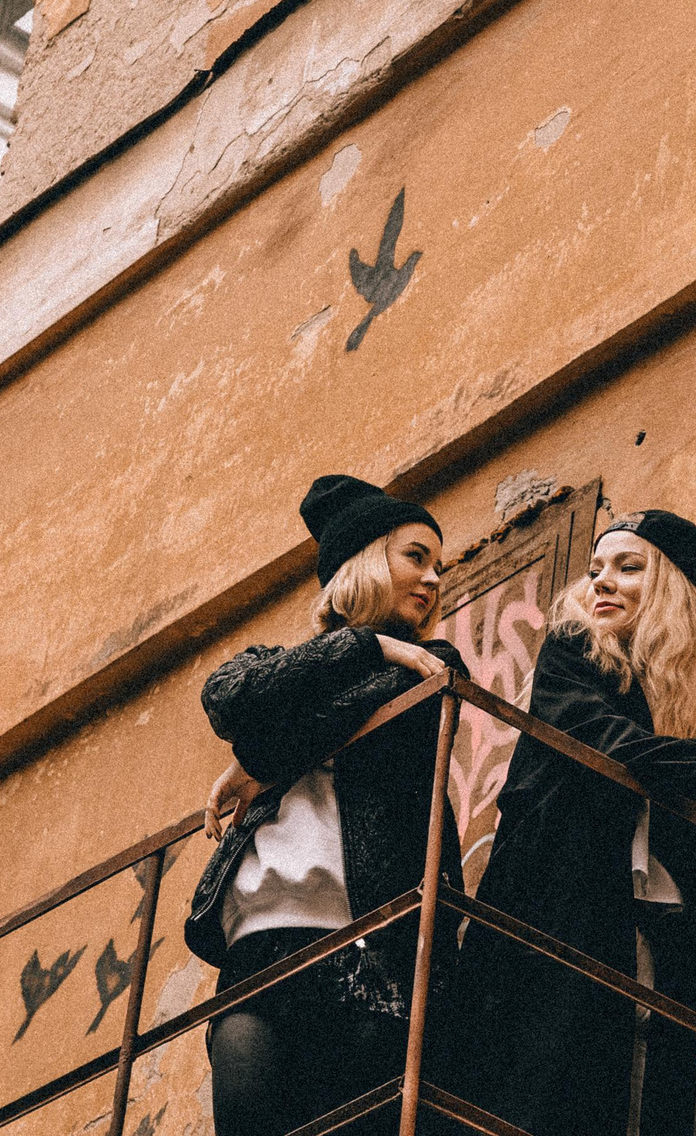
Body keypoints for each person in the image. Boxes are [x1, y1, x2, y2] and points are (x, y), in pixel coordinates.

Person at [454, 510, 696, 1136]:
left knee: (645, 1095)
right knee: (547, 1097)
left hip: (655, 933)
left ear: (673, 592)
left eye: (628, 567)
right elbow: (611, 744)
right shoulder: (569, 658)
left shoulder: (692, 712)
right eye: (594, 570)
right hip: (557, 920)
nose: (601, 582)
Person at [186, 474, 471, 1136]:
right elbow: (226, 695)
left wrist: (261, 760)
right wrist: (366, 642)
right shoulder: (291, 663)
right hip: (258, 944)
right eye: (416, 556)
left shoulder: (434, 659)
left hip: (365, 945)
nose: (434, 577)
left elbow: (365, 708)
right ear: (366, 561)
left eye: (438, 564)